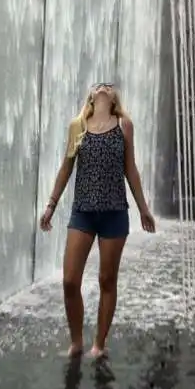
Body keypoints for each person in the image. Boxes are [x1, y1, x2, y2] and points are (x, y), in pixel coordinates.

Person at [39, 82, 156, 359]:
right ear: (91, 96)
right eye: (98, 85)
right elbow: (65, 168)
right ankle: (76, 341)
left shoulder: (124, 125)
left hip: (115, 213)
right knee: (69, 280)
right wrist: (51, 205)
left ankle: (99, 344)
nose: (104, 87)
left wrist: (143, 209)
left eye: (109, 85)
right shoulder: (77, 125)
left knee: (107, 280)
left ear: (114, 97)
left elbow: (131, 169)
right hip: (83, 213)